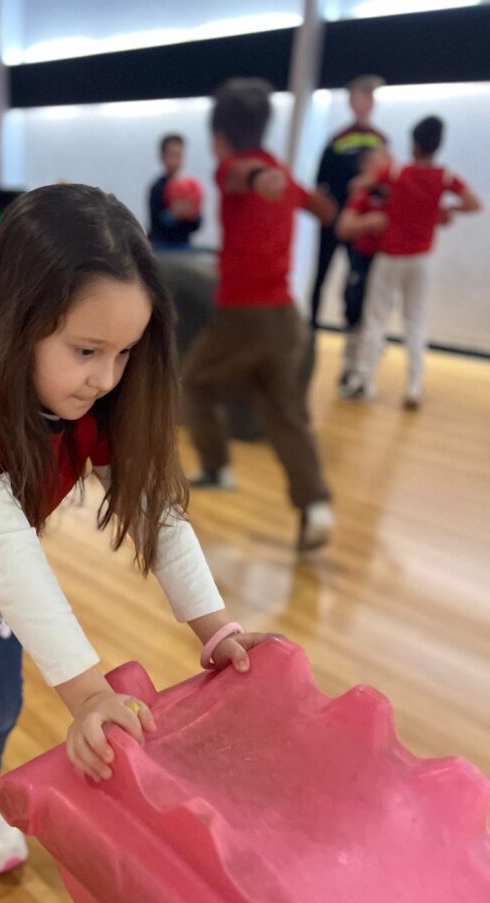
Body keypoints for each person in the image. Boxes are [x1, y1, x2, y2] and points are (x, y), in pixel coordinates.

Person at [0, 183, 279, 874]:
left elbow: (155, 507)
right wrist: (91, 695)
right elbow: (11, 558)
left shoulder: (97, 396)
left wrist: (214, 628)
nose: (106, 378)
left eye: (125, 353)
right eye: (87, 350)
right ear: (16, 319)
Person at [183, 78, 336, 552]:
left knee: (193, 382)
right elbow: (324, 211)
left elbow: (236, 175)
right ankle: (315, 507)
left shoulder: (233, 166)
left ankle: (216, 468)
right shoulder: (280, 173)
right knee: (285, 414)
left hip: (243, 317)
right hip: (285, 319)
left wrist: (255, 180)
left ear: (220, 135)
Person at [341, 116, 481, 409]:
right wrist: (444, 209)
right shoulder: (445, 177)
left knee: (376, 319)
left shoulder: (395, 172)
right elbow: (474, 203)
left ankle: (363, 380)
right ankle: (414, 385)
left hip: (390, 256)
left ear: (414, 144)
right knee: (414, 321)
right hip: (421, 259)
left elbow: (359, 184)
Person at [310, 76, 387, 330]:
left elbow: (386, 185)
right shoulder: (336, 140)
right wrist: (328, 213)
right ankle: (310, 329)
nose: (367, 101)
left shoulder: (380, 141)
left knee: (357, 282)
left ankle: (354, 335)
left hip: (360, 227)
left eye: (370, 96)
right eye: (362, 95)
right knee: (321, 276)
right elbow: (320, 183)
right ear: (352, 100)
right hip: (333, 222)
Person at [334, 145, 391, 390]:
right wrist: (369, 222)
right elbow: (344, 227)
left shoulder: (398, 191)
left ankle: (364, 375)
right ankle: (350, 368)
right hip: (364, 260)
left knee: (376, 319)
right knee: (354, 312)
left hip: (389, 263)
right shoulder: (362, 195)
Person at [148, 134, 202, 250]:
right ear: (162, 157)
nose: (176, 160)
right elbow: (156, 223)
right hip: (161, 251)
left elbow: (196, 224)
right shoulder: (157, 188)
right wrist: (173, 214)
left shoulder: (190, 188)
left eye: (179, 155)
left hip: (184, 249)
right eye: (172, 155)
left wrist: (192, 214)